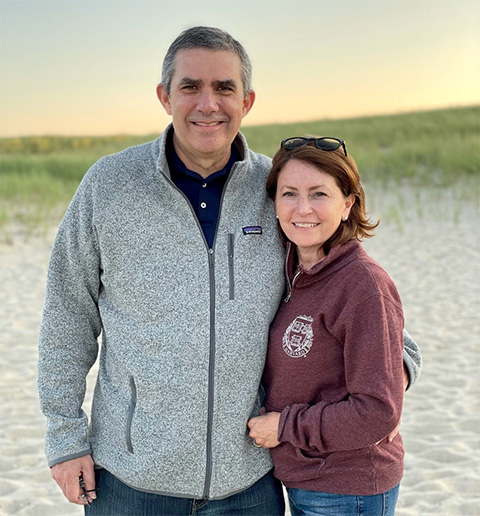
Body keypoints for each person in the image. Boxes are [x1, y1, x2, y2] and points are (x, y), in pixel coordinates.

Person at [38, 27, 421, 516]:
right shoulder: (109, 186)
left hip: (250, 482)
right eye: (190, 87)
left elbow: (359, 295)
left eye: (224, 88)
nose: (208, 104)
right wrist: (65, 438)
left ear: (248, 101)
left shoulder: (281, 190)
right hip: (130, 480)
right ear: (164, 96)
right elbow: (67, 318)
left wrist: (384, 380)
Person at [248, 136, 410, 515]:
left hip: (347, 488)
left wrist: (285, 427)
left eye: (319, 194)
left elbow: (378, 411)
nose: (302, 209)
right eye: (289, 193)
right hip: (304, 479)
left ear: (348, 203)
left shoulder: (362, 285)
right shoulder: (288, 270)